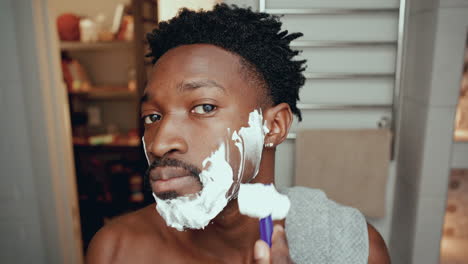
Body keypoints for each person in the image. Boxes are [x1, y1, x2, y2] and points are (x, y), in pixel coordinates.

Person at [86, 4, 390, 263]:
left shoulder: (357, 251)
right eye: (152, 116)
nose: (161, 142)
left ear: (273, 126)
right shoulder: (115, 250)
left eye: (204, 107)